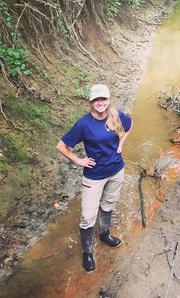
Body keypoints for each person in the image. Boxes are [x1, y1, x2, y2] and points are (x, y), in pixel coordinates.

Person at [56, 84, 132, 273]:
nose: (100, 103)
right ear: (91, 102)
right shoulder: (84, 124)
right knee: (88, 216)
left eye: (103, 99)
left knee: (108, 204)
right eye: (96, 100)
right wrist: (79, 161)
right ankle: (87, 252)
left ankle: (105, 234)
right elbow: (61, 146)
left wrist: (121, 143)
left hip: (116, 171)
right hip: (94, 176)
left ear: (108, 100)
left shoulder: (116, 115)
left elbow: (130, 125)